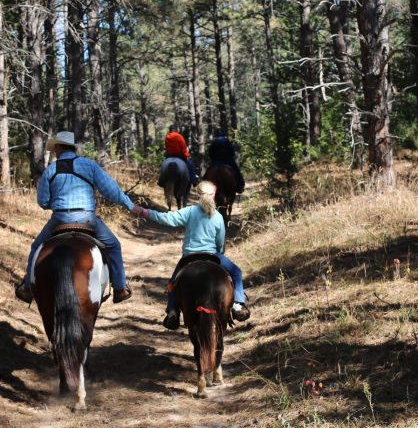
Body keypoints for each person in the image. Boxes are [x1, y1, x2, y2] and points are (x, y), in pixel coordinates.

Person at [15, 131, 140, 304]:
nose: (54, 152)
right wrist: (130, 205)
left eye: (55, 148)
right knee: (113, 245)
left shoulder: (51, 170)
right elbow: (111, 190)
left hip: (59, 219)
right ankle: (119, 288)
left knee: (36, 247)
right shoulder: (89, 165)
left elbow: (43, 202)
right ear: (72, 148)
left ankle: (28, 287)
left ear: (58, 147)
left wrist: (58, 202)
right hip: (87, 218)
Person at [134, 181, 250, 329]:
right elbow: (220, 241)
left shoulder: (189, 211)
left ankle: (172, 312)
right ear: (213, 196)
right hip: (212, 255)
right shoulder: (218, 217)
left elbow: (167, 218)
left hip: (189, 257)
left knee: (173, 283)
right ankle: (238, 304)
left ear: (197, 195)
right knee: (236, 272)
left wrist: (144, 212)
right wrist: (219, 252)